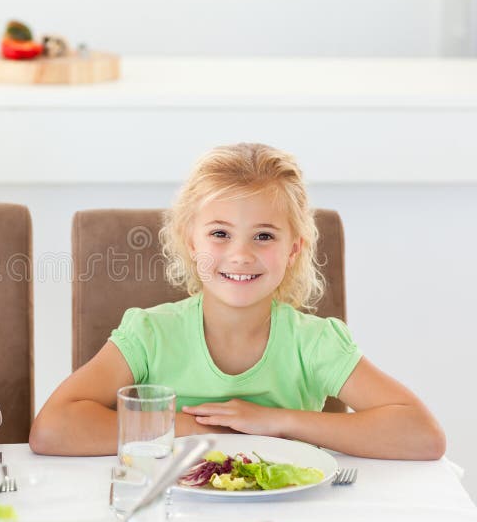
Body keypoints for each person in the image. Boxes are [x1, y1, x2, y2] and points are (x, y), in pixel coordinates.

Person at [29, 142, 445, 460]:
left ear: (294, 249)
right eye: (220, 234)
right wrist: (192, 428)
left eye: (264, 236)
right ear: (191, 242)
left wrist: (276, 422)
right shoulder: (150, 333)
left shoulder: (315, 342)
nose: (241, 255)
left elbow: (423, 436)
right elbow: (52, 429)